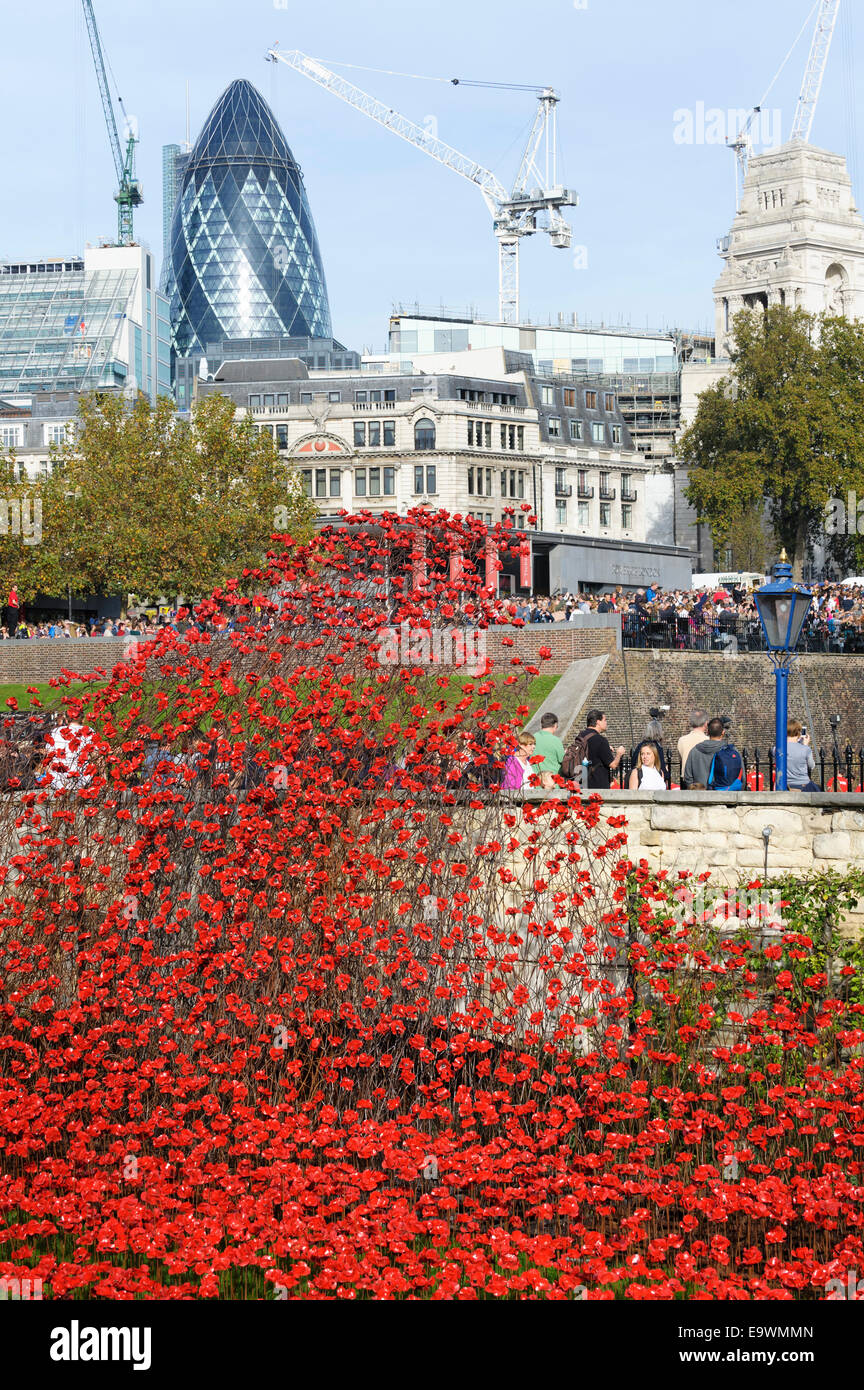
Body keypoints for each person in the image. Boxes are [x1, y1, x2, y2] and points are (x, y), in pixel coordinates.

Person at [683, 717, 743, 790]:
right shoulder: (732, 751)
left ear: (707, 732)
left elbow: (688, 777)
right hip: (726, 796)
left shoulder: (695, 751)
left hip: (700, 796)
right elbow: (742, 777)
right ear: (723, 732)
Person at [579, 709, 625, 790]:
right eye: (605, 720)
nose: (606, 723)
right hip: (598, 786)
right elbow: (613, 765)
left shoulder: (580, 736)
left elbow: (592, 752)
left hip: (582, 783)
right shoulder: (600, 740)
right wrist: (619, 754)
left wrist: (606, 749)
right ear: (598, 722)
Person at [782, 719, 820, 792]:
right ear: (799, 733)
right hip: (803, 785)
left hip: (785, 784)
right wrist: (805, 745)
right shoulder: (805, 749)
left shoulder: (777, 749)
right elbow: (811, 766)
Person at [631, 717, 669, 784]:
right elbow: (661, 767)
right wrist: (666, 773)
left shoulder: (640, 745)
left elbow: (633, 763)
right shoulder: (657, 747)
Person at [532, 712, 565, 789]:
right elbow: (562, 760)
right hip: (552, 783)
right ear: (555, 725)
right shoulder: (555, 740)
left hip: (537, 783)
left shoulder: (533, 738)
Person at [677, 710, 709, 789]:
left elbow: (681, 760)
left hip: (686, 780)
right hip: (704, 780)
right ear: (706, 723)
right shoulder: (708, 740)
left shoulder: (682, 740)